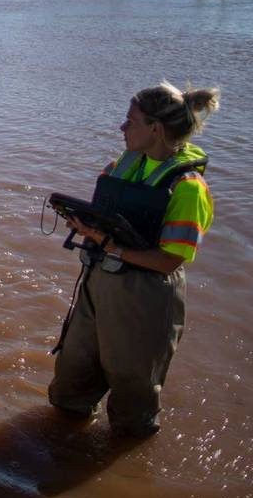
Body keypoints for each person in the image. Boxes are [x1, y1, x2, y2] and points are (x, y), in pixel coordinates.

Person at [48, 82, 220, 437]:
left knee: (133, 398)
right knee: (71, 381)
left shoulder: (188, 189)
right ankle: (62, 449)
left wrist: (110, 247)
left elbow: (170, 261)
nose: (122, 128)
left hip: (146, 296)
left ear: (155, 129)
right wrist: (87, 227)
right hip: (99, 282)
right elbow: (107, 217)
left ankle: (121, 458)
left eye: (130, 121)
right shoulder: (119, 165)